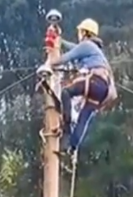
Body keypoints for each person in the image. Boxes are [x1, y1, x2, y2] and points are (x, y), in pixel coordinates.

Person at [37, 18, 118, 156]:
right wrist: (60, 41)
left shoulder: (86, 46)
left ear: (85, 33)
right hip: (103, 90)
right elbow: (74, 47)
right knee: (83, 118)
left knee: (66, 93)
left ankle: (67, 131)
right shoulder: (95, 50)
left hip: (94, 81)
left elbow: (64, 58)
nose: (78, 35)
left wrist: (49, 64)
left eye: (80, 32)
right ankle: (71, 147)